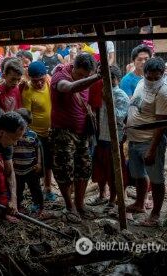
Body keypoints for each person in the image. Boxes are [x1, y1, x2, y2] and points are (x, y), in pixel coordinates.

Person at [50, 53, 102, 220]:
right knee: (64, 169)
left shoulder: (90, 77)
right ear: (73, 67)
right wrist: (93, 78)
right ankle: (69, 205)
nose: (83, 78)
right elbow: (70, 88)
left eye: (86, 76)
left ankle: (80, 204)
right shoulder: (60, 75)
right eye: (80, 75)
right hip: (63, 132)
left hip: (83, 132)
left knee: (84, 168)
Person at [125, 57, 167, 227]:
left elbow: (161, 125)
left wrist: (152, 149)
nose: (152, 81)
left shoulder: (163, 93)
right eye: (149, 77)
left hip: (149, 142)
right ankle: (139, 203)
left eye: (155, 78)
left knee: (157, 179)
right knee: (138, 175)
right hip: (134, 139)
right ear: (144, 74)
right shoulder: (140, 84)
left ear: (162, 74)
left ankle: (156, 214)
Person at [89, 65, 129, 208]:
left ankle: (112, 199)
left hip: (113, 140)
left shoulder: (120, 95)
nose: (106, 81)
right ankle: (102, 194)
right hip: (99, 137)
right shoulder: (98, 92)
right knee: (99, 169)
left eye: (109, 78)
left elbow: (119, 117)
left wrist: (107, 100)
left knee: (113, 172)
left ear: (115, 79)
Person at [21, 61, 56, 201]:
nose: (39, 83)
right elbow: (27, 116)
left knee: (49, 162)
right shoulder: (27, 91)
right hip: (35, 134)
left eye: (41, 80)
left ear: (45, 76)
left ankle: (48, 188)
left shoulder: (49, 84)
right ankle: (36, 193)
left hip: (50, 132)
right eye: (35, 81)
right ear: (30, 79)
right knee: (35, 164)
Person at [14, 108, 44, 215]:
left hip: (31, 168)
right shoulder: (13, 135)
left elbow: (38, 149)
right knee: (18, 189)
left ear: (27, 123)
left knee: (35, 187)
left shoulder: (32, 135)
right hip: (17, 169)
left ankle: (39, 206)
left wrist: (39, 163)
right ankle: (18, 205)